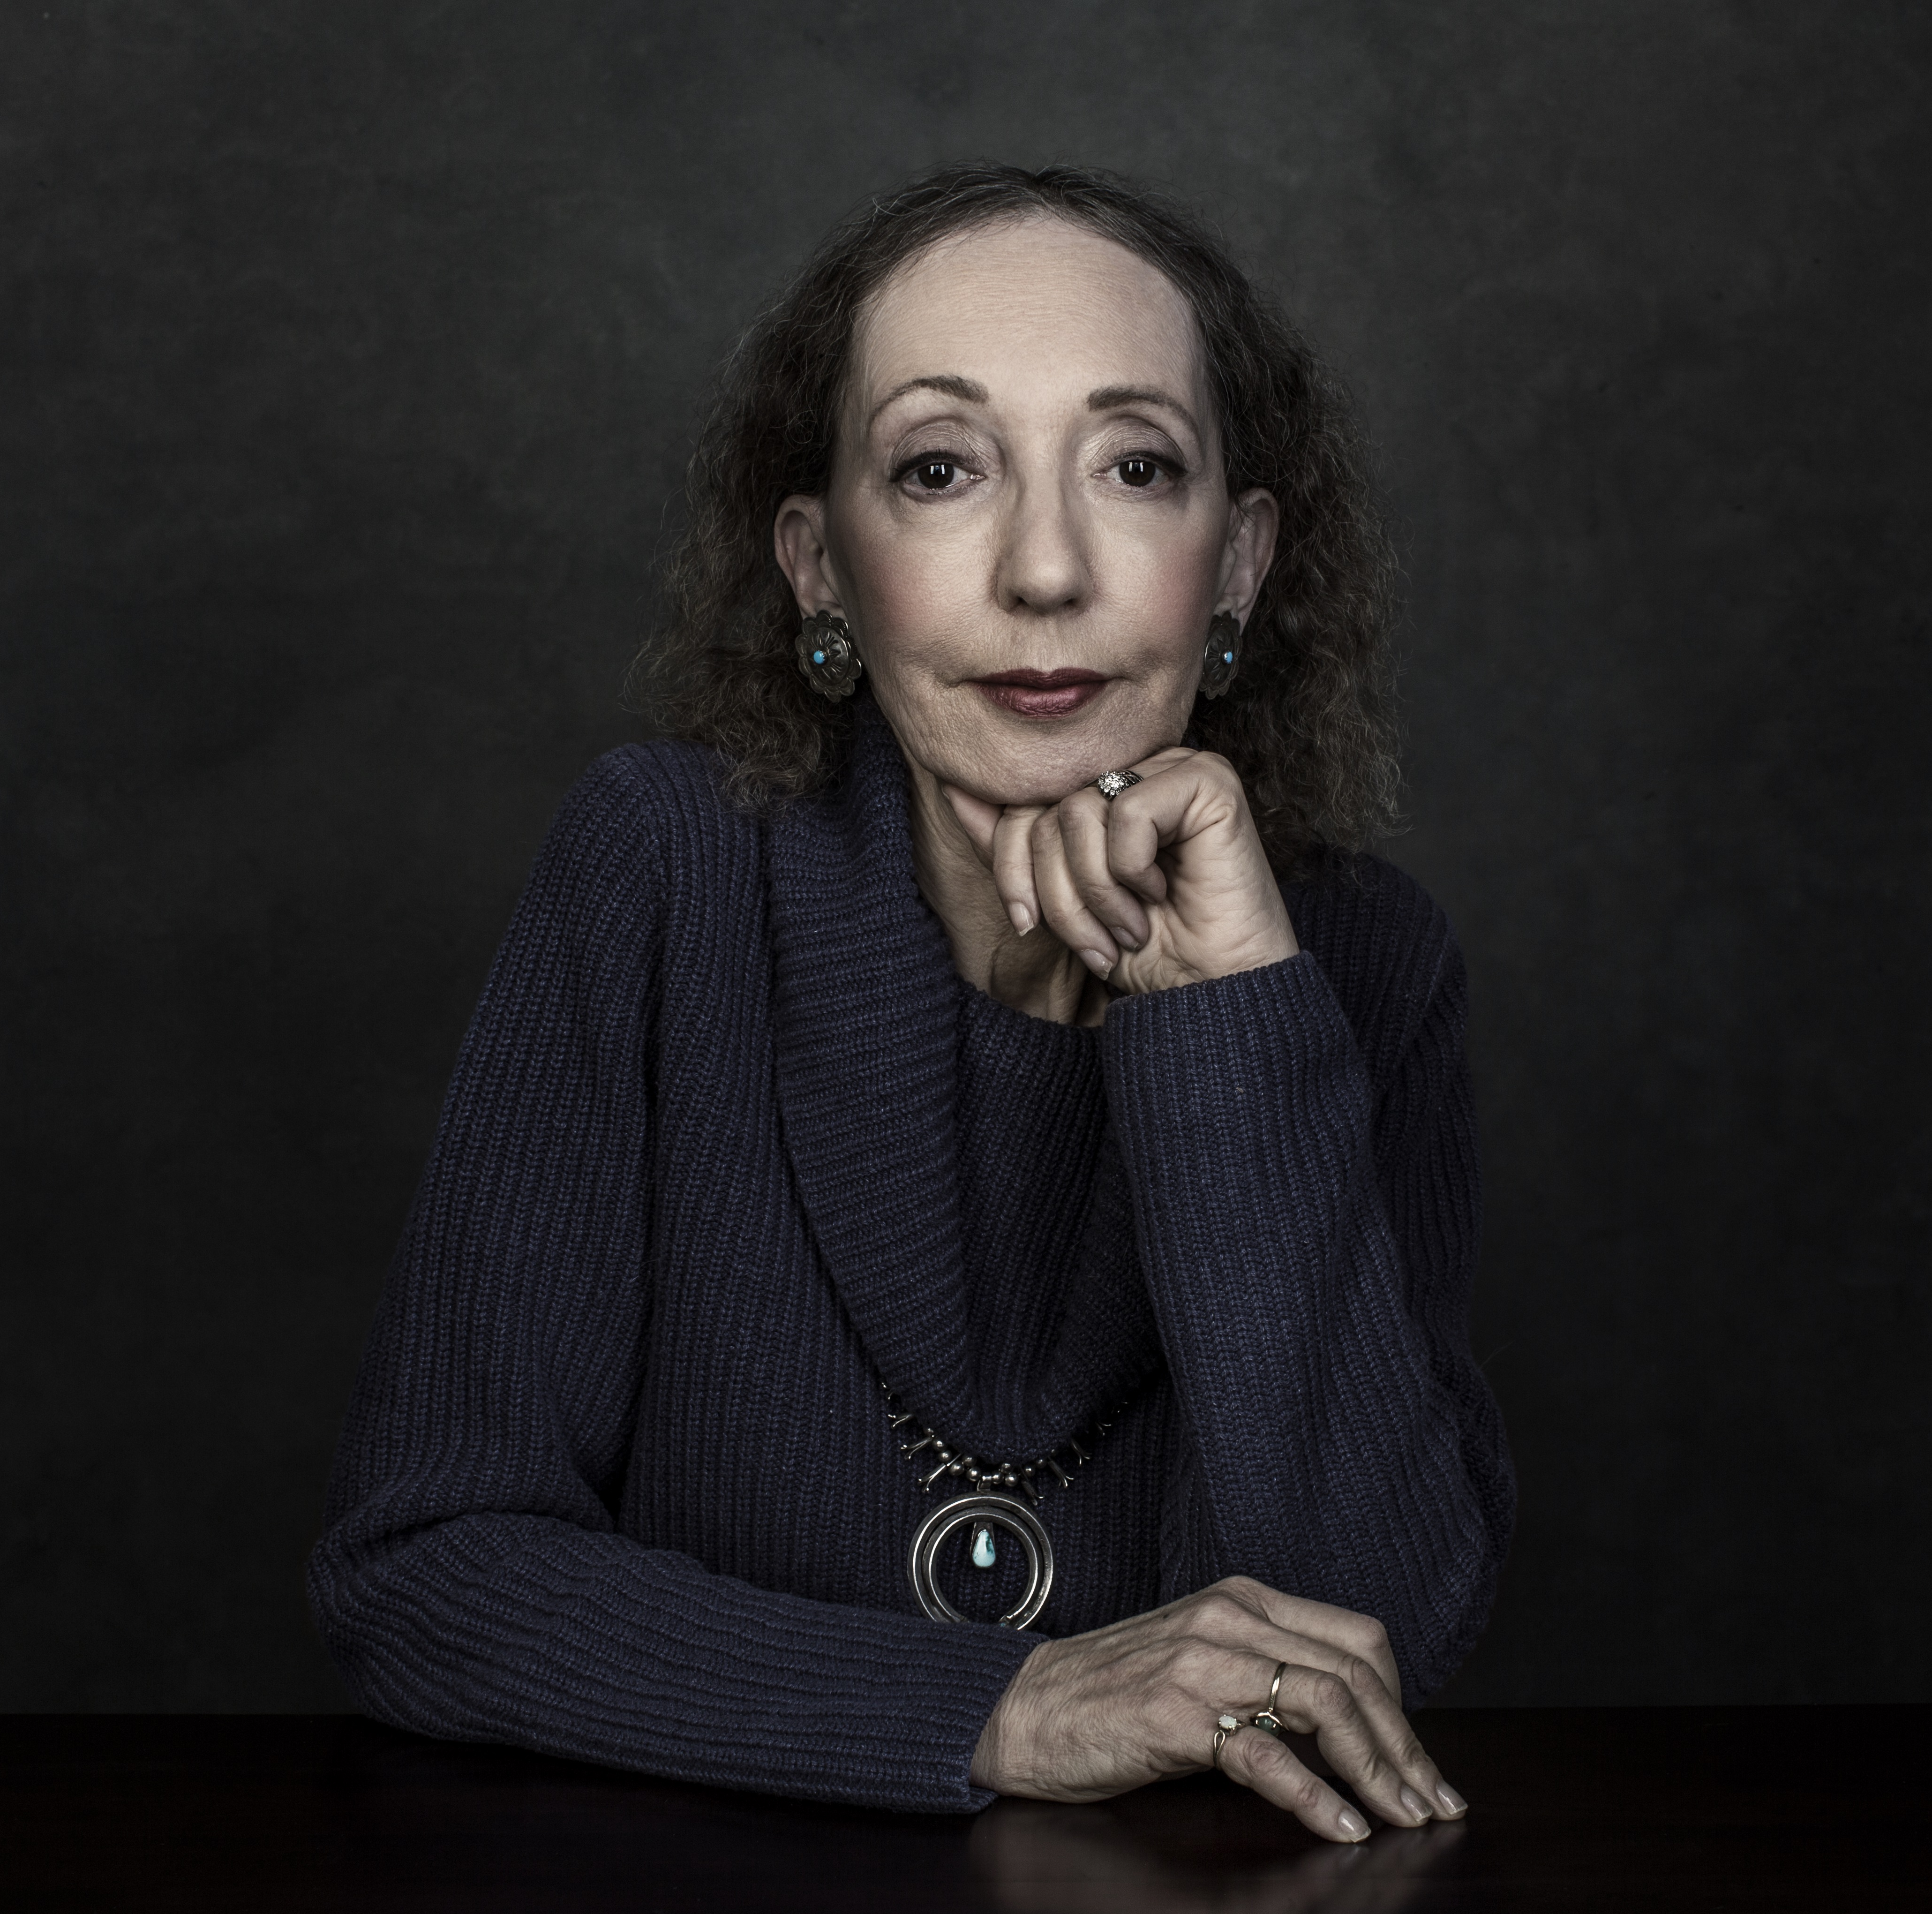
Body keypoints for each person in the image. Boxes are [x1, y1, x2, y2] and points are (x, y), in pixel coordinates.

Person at [308, 163, 1512, 1845]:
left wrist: (1229, 1021)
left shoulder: (1360, 964)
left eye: (1135, 467)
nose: (1042, 569)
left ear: (1235, 567)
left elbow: (1365, 1637)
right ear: (819, 566)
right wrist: (999, 1703)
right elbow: (421, 1571)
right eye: (942, 469)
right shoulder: (660, 869)